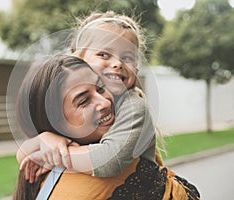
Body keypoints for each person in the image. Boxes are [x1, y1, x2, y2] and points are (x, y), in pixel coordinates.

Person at [13, 55, 200, 200]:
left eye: (101, 88)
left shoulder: (121, 150)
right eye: (84, 100)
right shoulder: (84, 182)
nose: (104, 102)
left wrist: (39, 144)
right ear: (53, 122)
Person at [18, 11, 164, 178]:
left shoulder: (134, 107)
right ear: (78, 60)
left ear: (136, 70)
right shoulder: (69, 106)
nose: (117, 64)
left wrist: (59, 156)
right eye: (104, 54)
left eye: (127, 57)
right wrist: (44, 139)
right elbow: (23, 156)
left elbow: (109, 160)